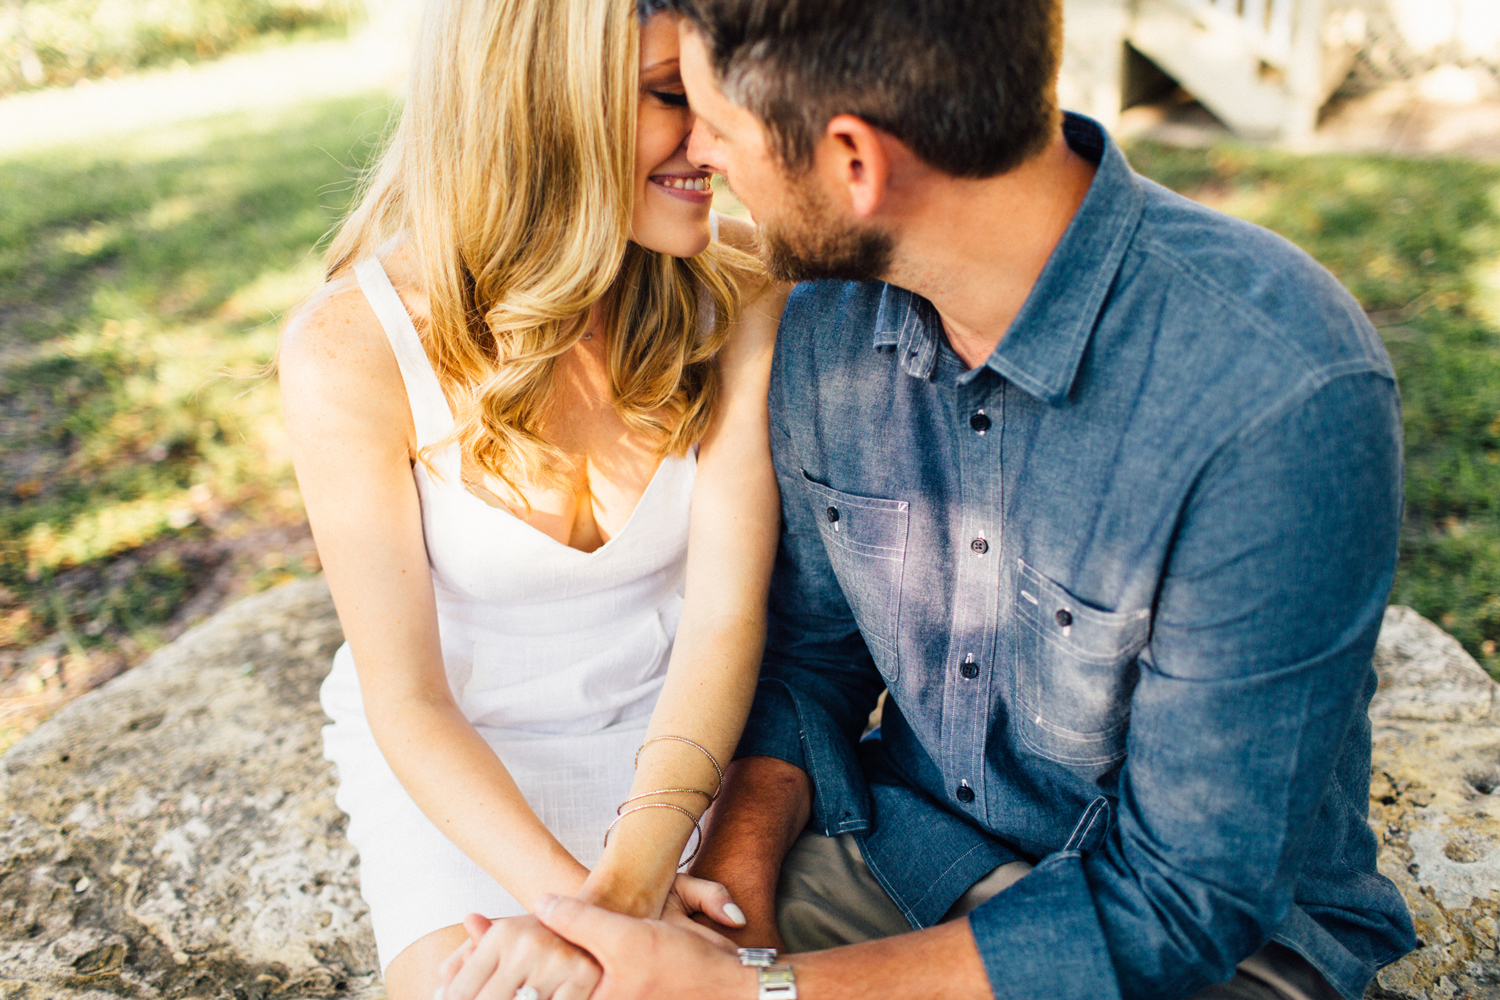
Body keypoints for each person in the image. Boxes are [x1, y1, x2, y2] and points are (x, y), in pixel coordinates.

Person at [437, 1, 1419, 999]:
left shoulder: (1276, 390)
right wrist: (732, 899)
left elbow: (1188, 901)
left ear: (855, 162)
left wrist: (756, 995)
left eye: (717, 125)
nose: (699, 151)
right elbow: (808, 658)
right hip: (906, 864)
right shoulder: (824, 327)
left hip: (1208, 956)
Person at [276, 0, 788, 996]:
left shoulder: (740, 289)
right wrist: (575, 913)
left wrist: (631, 885)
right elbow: (409, 700)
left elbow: (726, 620)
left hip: (682, 739)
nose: (715, 138)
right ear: (544, 105)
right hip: (467, 766)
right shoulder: (353, 349)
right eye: (669, 96)